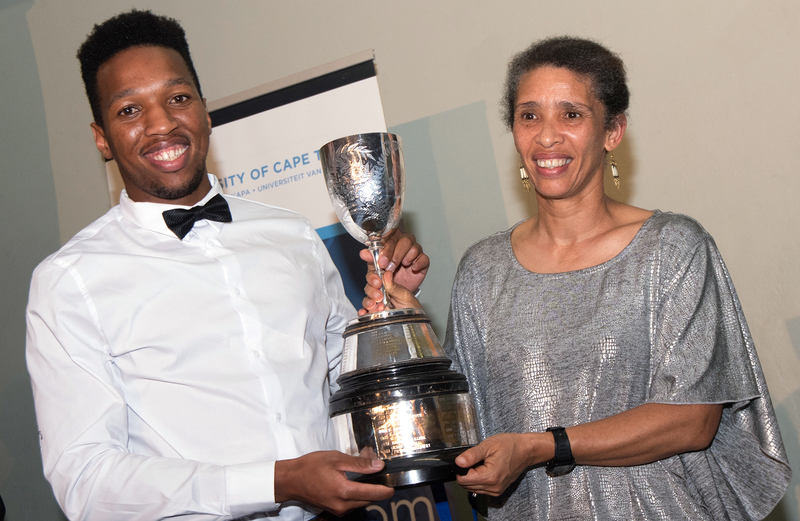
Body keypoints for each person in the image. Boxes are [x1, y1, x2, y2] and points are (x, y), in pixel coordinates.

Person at [25, 10, 430, 521]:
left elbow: (343, 381)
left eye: (178, 98)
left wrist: (390, 312)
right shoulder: (69, 281)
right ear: (102, 138)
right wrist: (276, 481)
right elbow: (86, 480)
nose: (161, 124)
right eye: (129, 110)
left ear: (204, 110)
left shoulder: (292, 234)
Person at [364, 37, 791, 519]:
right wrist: (409, 323)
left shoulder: (672, 248)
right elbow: (466, 429)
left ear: (613, 130)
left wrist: (544, 447)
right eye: (529, 116)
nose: (547, 137)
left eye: (571, 114)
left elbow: (692, 421)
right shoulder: (483, 270)